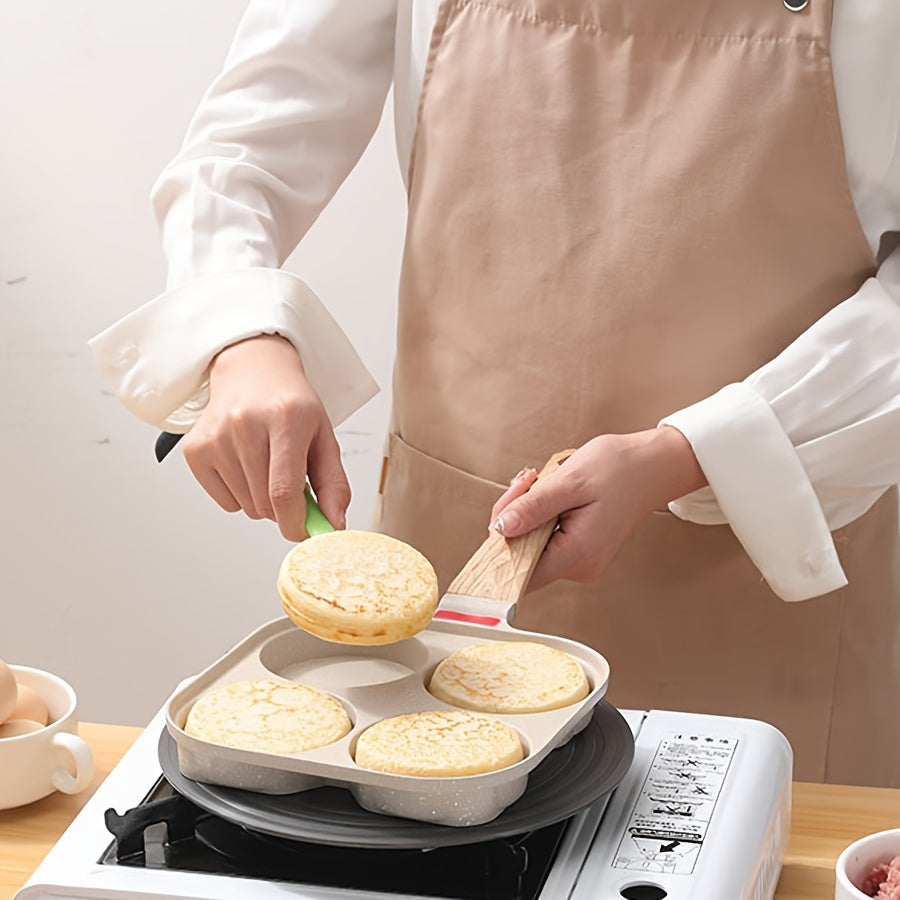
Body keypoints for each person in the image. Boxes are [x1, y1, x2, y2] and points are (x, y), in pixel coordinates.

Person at [90, 0, 900, 786]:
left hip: (774, 553)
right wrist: (241, 335)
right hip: (455, 544)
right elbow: (246, 139)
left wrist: (687, 454)